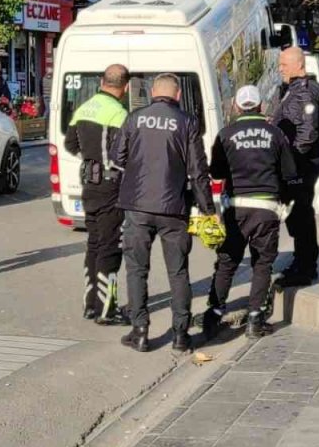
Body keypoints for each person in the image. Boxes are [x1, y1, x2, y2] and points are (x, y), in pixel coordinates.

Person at [112, 73, 215, 353]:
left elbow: (116, 157)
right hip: (174, 209)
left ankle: (140, 331)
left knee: (136, 270)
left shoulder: (135, 118)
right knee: (178, 272)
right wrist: (209, 210)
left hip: (137, 207)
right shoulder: (187, 122)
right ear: (178, 95)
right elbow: (199, 171)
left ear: (152, 93)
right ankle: (181, 336)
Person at [204, 85, 298, 341]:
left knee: (227, 262)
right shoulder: (275, 134)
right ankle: (255, 320)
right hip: (266, 208)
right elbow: (289, 174)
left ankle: (213, 314)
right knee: (262, 263)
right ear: (261, 106)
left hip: (235, 208)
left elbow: (217, 173)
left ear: (236, 106)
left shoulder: (226, 134)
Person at [65, 64, 131, 325]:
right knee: (110, 246)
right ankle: (107, 309)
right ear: (125, 88)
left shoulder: (84, 107)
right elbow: (125, 154)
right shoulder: (118, 113)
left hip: (89, 184)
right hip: (110, 187)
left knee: (93, 243)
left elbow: (70, 144)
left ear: (102, 81)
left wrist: (91, 161)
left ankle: (90, 303)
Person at [270, 47, 319, 288]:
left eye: (283, 64)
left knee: (301, 216)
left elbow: (308, 132)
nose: (280, 68)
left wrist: (290, 159)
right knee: (296, 217)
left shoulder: (304, 91)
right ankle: (301, 261)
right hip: (296, 165)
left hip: (301, 166)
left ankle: (305, 268)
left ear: (298, 64)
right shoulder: (293, 89)